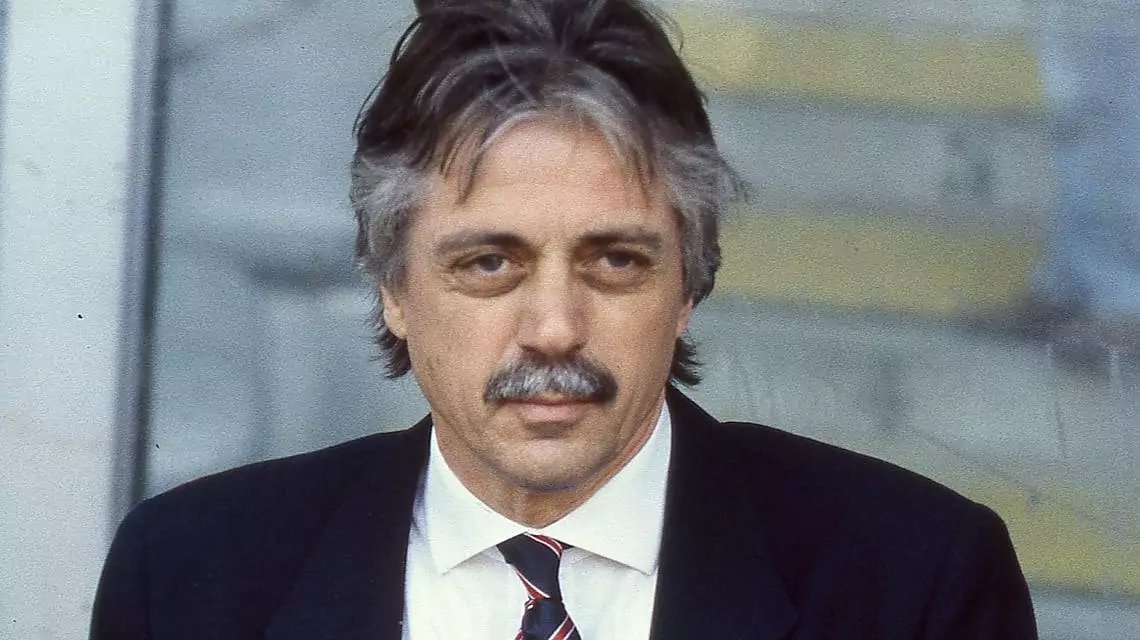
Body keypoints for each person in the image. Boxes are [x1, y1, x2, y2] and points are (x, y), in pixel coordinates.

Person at [91, 0, 1038, 637]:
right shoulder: (190, 579)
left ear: (689, 283)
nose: (553, 327)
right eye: (489, 263)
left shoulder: (915, 584)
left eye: (615, 261)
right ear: (393, 287)